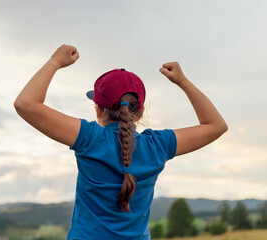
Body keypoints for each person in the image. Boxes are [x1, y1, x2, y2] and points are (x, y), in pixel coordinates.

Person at [14, 44, 228, 239]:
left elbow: (26, 104)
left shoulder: (90, 138)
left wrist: (55, 62)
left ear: (97, 109)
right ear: (140, 112)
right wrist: (183, 81)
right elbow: (216, 126)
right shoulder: (157, 146)